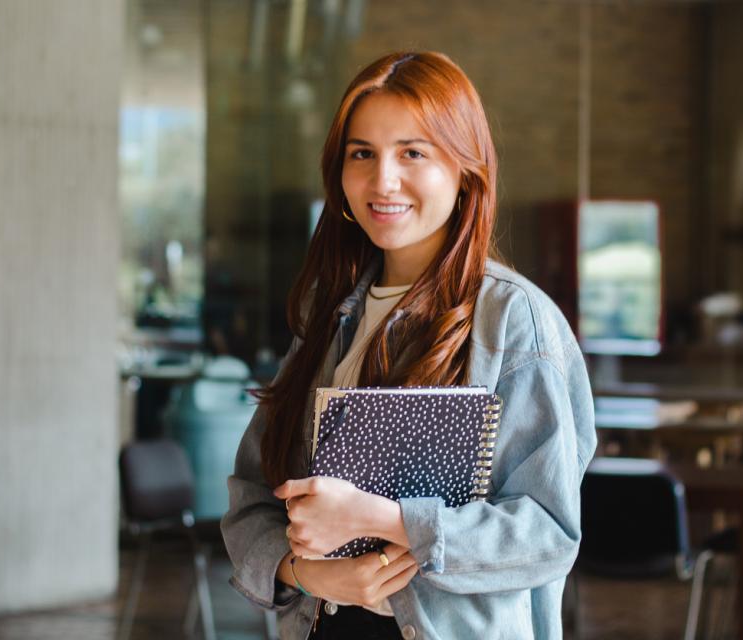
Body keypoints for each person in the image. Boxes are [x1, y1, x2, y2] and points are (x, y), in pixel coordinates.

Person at [221, 51, 597, 640]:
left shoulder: (512, 319)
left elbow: (547, 536)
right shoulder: (327, 311)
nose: (383, 180)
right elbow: (251, 497)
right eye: (362, 154)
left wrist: (384, 520)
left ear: (465, 169)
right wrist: (307, 573)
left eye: (413, 153)